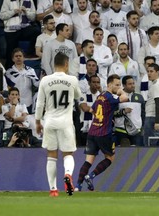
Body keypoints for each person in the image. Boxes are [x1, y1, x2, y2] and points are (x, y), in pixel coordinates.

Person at [35, 52, 82, 197]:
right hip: (66, 122)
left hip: (49, 121)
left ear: (53, 64)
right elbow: (78, 96)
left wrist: (37, 121)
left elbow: (39, 103)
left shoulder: (45, 80)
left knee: (51, 156)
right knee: (68, 154)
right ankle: (68, 174)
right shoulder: (72, 80)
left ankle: (53, 190)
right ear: (66, 64)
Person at [75, 74, 128, 191]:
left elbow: (93, 110)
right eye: (117, 85)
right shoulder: (109, 97)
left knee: (88, 161)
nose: (119, 87)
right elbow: (125, 98)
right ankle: (91, 176)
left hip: (92, 131)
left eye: (119, 85)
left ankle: (78, 186)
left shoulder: (100, 96)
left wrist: (105, 115)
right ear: (109, 85)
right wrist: (121, 92)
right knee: (110, 158)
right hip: (104, 133)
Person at [114, 75, 145, 146]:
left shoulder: (140, 97)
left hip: (136, 131)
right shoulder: (117, 97)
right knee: (121, 154)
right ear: (124, 85)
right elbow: (112, 113)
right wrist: (123, 111)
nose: (133, 85)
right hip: (121, 130)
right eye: (130, 84)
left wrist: (142, 126)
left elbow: (143, 113)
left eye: (133, 83)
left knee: (137, 155)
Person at [143, 63, 159, 146]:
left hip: (153, 117)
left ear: (157, 72)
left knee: (150, 145)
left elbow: (158, 103)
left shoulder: (156, 85)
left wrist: (157, 121)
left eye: (151, 71)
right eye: (148, 71)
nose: (149, 73)